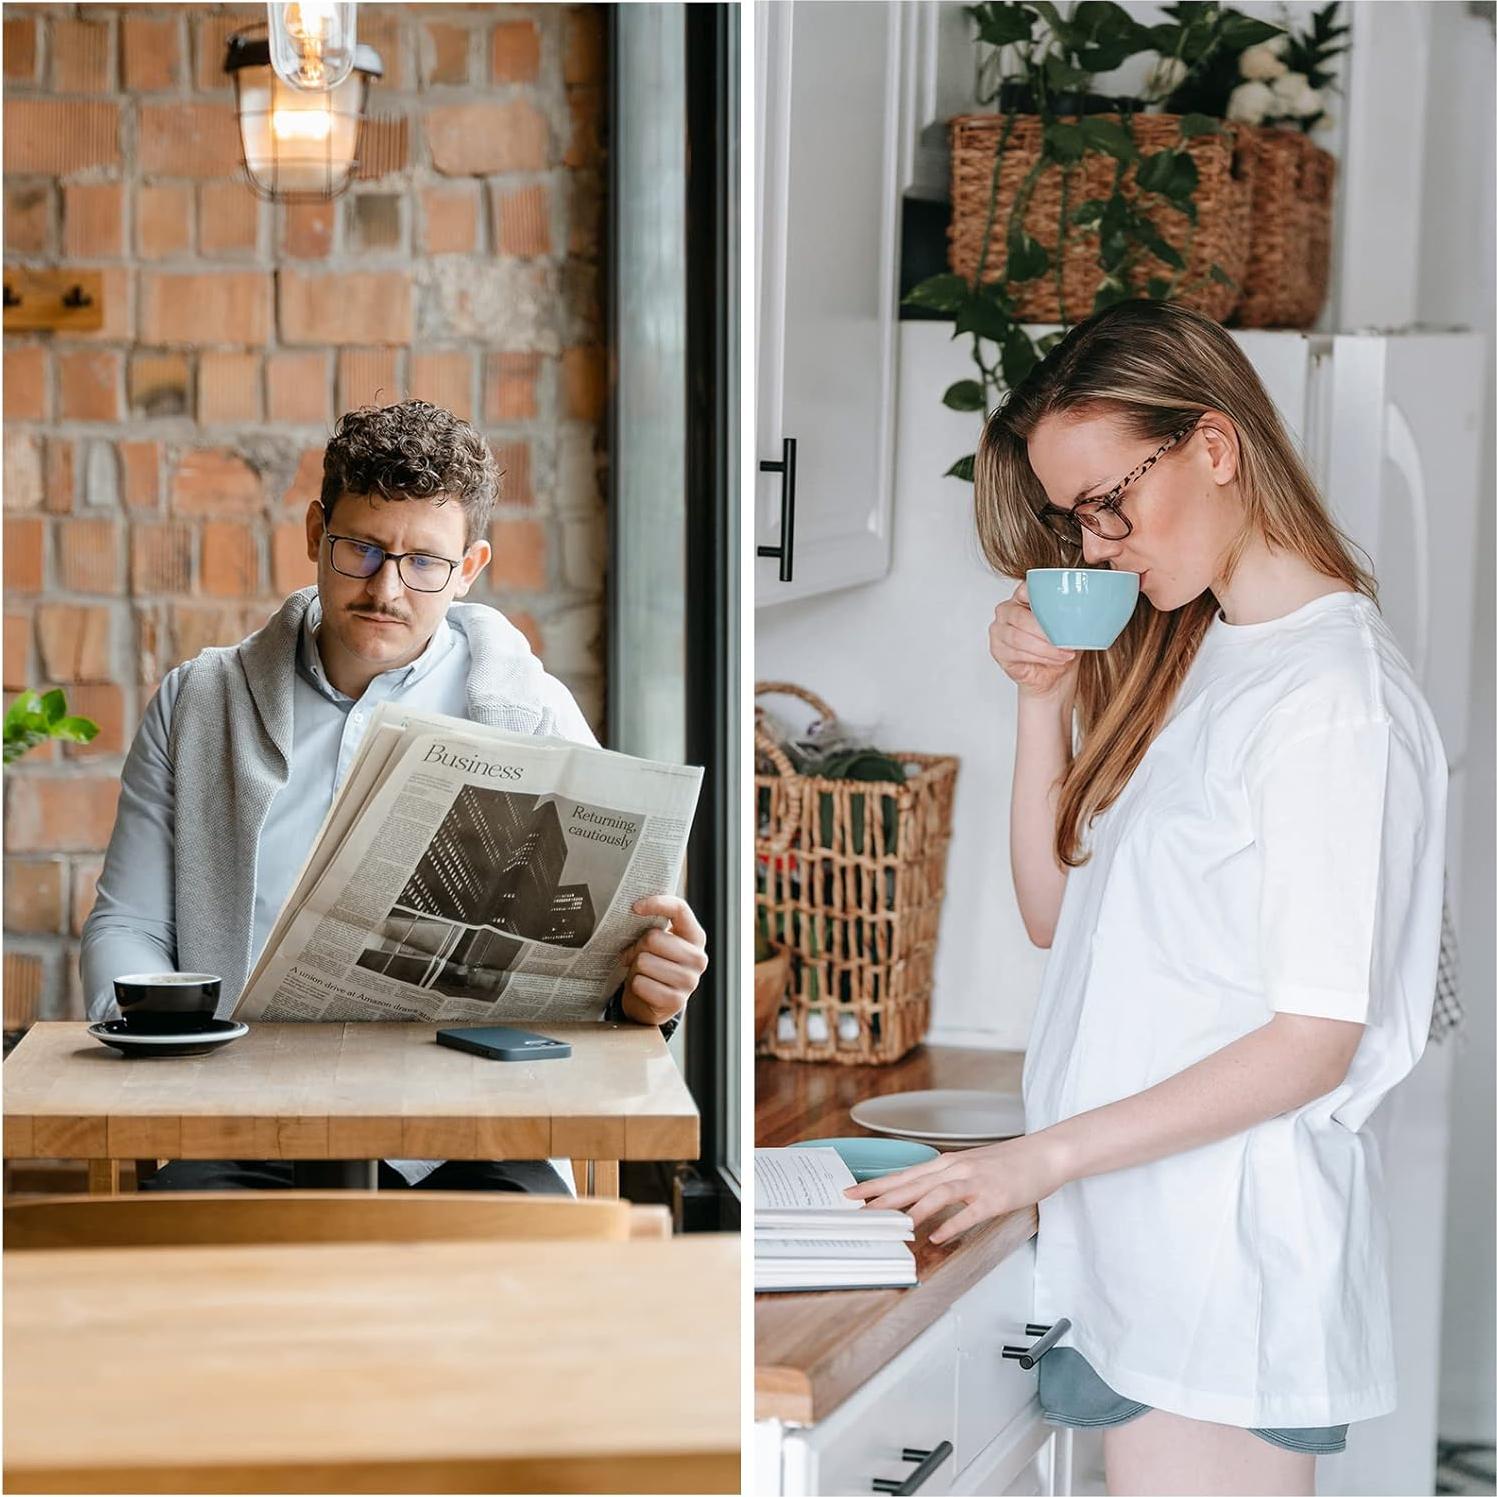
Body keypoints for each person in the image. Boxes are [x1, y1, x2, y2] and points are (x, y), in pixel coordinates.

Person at [848, 301, 1447, 1496]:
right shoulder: (1218, 651)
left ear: (1213, 446)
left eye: (1108, 501)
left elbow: (1312, 1045)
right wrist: (1042, 701)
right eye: (1080, 516)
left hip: (1228, 1273)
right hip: (1149, 1251)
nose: (1099, 541)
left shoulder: (1330, 699)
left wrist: (1041, 1160)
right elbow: (1054, 920)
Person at [82, 399, 708, 1195]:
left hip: (480, 1135)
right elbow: (127, 923)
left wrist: (650, 985)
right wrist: (167, 1044)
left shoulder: (535, 715)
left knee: (541, 1284)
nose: (387, 587)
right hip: (247, 1122)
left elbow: (601, 967)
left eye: (423, 563)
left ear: (470, 567)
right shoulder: (199, 703)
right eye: (362, 550)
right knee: (187, 1279)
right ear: (316, 533)